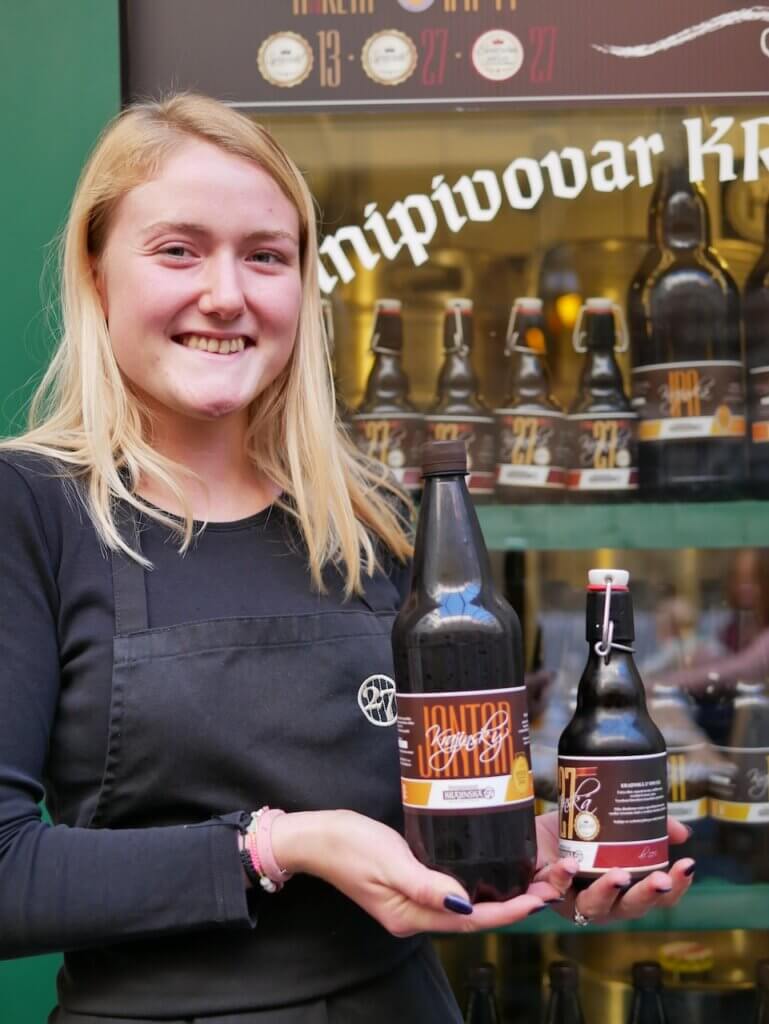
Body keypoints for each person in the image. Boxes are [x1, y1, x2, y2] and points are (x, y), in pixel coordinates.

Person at [0, 94, 694, 1023]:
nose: (226, 294)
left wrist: (533, 853)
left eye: (265, 256)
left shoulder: (374, 519)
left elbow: (422, 826)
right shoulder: (30, 508)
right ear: (96, 274)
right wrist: (276, 846)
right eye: (178, 250)